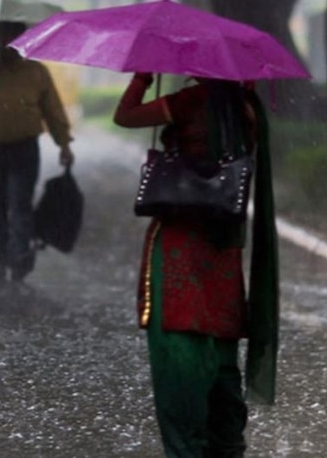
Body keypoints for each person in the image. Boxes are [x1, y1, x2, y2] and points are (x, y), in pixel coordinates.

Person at [113, 73, 272, 457]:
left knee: (179, 362)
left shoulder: (191, 101)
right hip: (223, 253)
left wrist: (141, 78)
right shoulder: (249, 110)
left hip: (181, 248)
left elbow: (125, 116)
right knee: (220, 356)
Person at [0, 20, 74, 282]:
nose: (8, 42)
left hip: (25, 148)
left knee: (20, 203)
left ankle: (19, 257)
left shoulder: (36, 71)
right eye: (2, 36)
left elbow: (52, 110)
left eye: (14, 36)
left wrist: (63, 144)